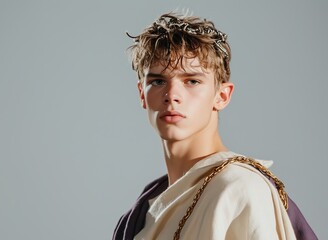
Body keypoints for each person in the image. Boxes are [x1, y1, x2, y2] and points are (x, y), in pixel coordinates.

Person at [113, 12, 317, 240]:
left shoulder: (240, 189)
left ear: (221, 95)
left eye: (192, 81)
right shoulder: (147, 208)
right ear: (142, 94)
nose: (172, 95)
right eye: (158, 81)